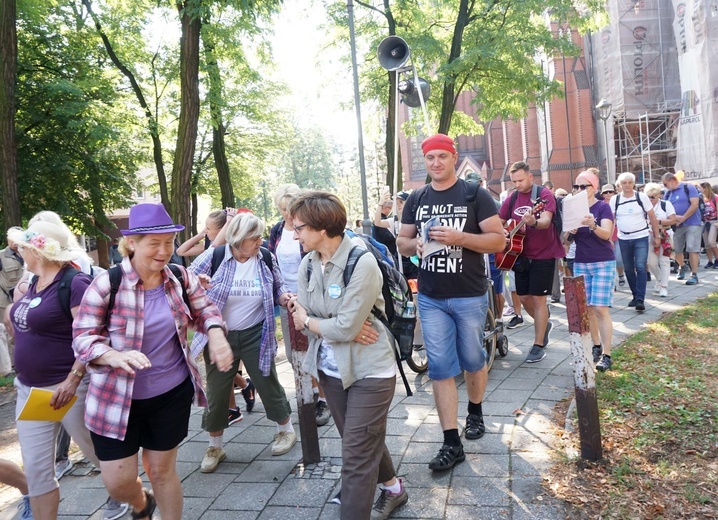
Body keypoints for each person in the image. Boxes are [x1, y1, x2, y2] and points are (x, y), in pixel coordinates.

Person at [73, 203, 233, 520]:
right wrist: (112, 355)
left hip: (168, 393)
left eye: (169, 242)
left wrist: (215, 334)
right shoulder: (108, 284)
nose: (164, 252)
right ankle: (141, 504)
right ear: (132, 243)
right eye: (154, 244)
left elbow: (205, 311)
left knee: (161, 471)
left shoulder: (178, 277)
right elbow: (81, 337)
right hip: (115, 399)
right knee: (117, 482)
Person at [287, 191, 408, 520]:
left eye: (298, 227)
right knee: (362, 438)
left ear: (321, 228)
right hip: (330, 369)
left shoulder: (361, 262)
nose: (293, 234)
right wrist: (335, 325)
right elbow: (307, 319)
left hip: (370, 370)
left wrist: (321, 323)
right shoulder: (309, 265)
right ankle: (394, 488)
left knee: (354, 456)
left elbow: (310, 320)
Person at [397, 134, 505, 472]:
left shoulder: (475, 194)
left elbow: (498, 240)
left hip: (469, 294)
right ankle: (451, 442)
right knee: (441, 368)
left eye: (442, 157)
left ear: (454, 158)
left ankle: (475, 411)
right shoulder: (416, 197)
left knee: (473, 360)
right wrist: (412, 246)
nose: (436, 164)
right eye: (430, 158)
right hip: (430, 297)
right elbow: (401, 240)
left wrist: (460, 238)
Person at [7, 220, 128, 520]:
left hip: (70, 391)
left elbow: (93, 334)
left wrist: (73, 379)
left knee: (102, 457)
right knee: (36, 470)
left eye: (24, 246)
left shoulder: (73, 283)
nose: (20, 250)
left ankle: (131, 496)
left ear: (39, 251)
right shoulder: (34, 282)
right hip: (32, 392)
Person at [188, 212, 296, 474]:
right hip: (219, 335)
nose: (260, 241)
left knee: (266, 380)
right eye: (254, 237)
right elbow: (184, 282)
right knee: (216, 390)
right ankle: (215, 446)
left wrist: (286, 298)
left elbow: (278, 287)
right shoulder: (215, 256)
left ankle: (286, 430)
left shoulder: (265, 258)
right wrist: (198, 285)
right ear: (237, 238)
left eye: (260, 236)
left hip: (256, 331)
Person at [267, 184, 332, 426]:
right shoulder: (276, 231)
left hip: (311, 297)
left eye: (290, 207)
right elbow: (274, 265)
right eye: (282, 209)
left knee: (316, 348)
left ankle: (324, 398)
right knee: (296, 352)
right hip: (288, 300)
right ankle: (308, 395)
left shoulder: (309, 228)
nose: (287, 213)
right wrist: (282, 294)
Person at [498, 161, 565, 363]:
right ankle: (543, 323)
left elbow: (545, 221)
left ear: (530, 177)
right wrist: (501, 231)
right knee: (524, 297)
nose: (517, 184)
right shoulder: (512, 199)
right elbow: (498, 221)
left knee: (538, 299)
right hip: (519, 255)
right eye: (514, 181)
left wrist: (533, 222)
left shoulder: (543, 196)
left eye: (520, 180)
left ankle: (538, 345)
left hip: (543, 254)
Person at [564, 171, 616, 371]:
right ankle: (596, 345)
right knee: (587, 309)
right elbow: (565, 241)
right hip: (581, 262)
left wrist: (592, 225)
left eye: (583, 186)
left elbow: (606, 234)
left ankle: (607, 355)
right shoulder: (572, 208)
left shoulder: (602, 207)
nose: (578, 190)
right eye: (575, 186)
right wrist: (570, 232)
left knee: (600, 308)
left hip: (603, 261)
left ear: (594, 188)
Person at [609, 172, 660, 311]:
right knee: (629, 269)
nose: (627, 185)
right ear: (619, 185)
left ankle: (640, 299)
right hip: (624, 238)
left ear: (633, 184)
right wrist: (609, 238)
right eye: (624, 183)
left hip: (641, 237)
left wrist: (657, 236)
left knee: (641, 266)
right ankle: (635, 295)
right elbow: (611, 220)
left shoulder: (641, 197)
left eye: (629, 182)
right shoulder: (615, 199)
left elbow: (653, 217)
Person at [662, 172, 701, 285]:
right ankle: (682, 266)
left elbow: (695, 204)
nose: (665, 187)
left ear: (672, 180)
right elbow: (666, 208)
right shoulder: (668, 193)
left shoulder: (688, 187)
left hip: (692, 223)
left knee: (692, 248)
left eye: (665, 184)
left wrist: (684, 217)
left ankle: (694, 274)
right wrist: (674, 219)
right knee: (677, 249)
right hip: (677, 225)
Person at [645, 183, 677, 298]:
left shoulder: (665, 204)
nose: (651, 199)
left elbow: (673, 220)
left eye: (653, 196)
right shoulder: (644, 206)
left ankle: (664, 286)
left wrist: (658, 222)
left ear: (659, 195)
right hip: (649, 235)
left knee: (664, 261)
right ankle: (659, 279)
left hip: (665, 235)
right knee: (651, 262)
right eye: (648, 196)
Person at [0, 229, 24, 376]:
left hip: (24, 299)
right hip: (5, 302)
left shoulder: (27, 252)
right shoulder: (1, 256)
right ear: (8, 240)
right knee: (10, 333)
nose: (16, 243)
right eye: (13, 240)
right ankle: (14, 366)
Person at [699, 182, 718, 268]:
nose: (700, 190)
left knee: (711, 241)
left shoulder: (715, 197)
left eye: (701, 188)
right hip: (705, 222)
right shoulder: (701, 198)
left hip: (714, 221)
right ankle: (710, 261)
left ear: (705, 188)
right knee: (706, 244)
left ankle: (717, 259)